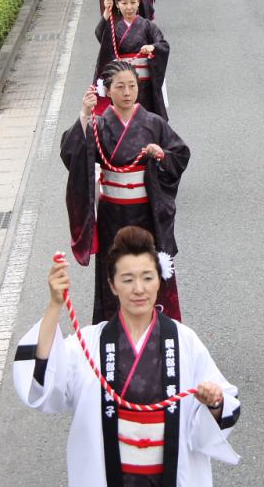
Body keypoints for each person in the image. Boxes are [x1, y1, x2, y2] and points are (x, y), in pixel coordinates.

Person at [13, 223, 239, 487]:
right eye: (128, 279)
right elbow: (43, 384)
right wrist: (54, 306)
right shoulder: (89, 344)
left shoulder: (183, 341)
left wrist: (213, 401)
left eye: (147, 277)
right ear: (112, 283)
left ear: (160, 280)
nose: (139, 289)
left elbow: (224, 401)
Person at [60, 62, 189, 320]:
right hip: (112, 212)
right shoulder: (99, 124)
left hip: (146, 211)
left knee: (150, 266)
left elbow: (180, 153)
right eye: (120, 87)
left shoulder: (153, 123)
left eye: (132, 86)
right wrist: (84, 115)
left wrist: (161, 155)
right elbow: (71, 154)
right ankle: (114, 326)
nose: (127, 92)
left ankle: (160, 325)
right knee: (116, 268)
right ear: (107, 91)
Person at [94, 0, 169, 120]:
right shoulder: (114, 27)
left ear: (139, 2)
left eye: (133, 2)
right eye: (124, 3)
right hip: (122, 81)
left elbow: (162, 44)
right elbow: (101, 36)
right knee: (123, 118)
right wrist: (106, 12)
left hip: (144, 84)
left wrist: (153, 48)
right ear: (117, 4)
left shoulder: (147, 25)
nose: (129, 7)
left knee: (145, 118)